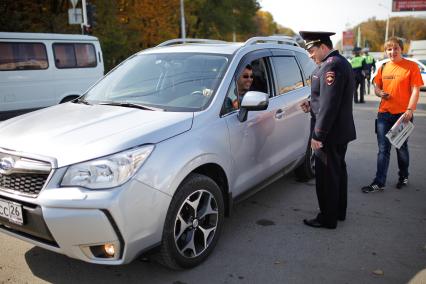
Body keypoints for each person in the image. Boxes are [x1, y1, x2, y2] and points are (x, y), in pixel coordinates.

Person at [299, 31, 356, 229]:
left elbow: (330, 104)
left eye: (312, 50)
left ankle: (327, 218)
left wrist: (318, 135)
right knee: (338, 172)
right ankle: (339, 212)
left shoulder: (331, 65)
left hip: (329, 134)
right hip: (339, 131)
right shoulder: (338, 62)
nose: (310, 55)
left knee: (326, 177)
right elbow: (326, 98)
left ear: (323, 46)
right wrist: (311, 103)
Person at [361, 37, 424, 193]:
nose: (392, 52)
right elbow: (376, 86)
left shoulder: (411, 67)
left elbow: (416, 90)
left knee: (401, 148)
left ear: (401, 49)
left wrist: (410, 110)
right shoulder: (383, 67)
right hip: (384, 114)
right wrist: (379, 93)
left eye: (395, 48)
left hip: (403, 115)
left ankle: (403, 176)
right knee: (383, 149)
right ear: (386, 51)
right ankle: (379, 182)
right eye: (389, 49)